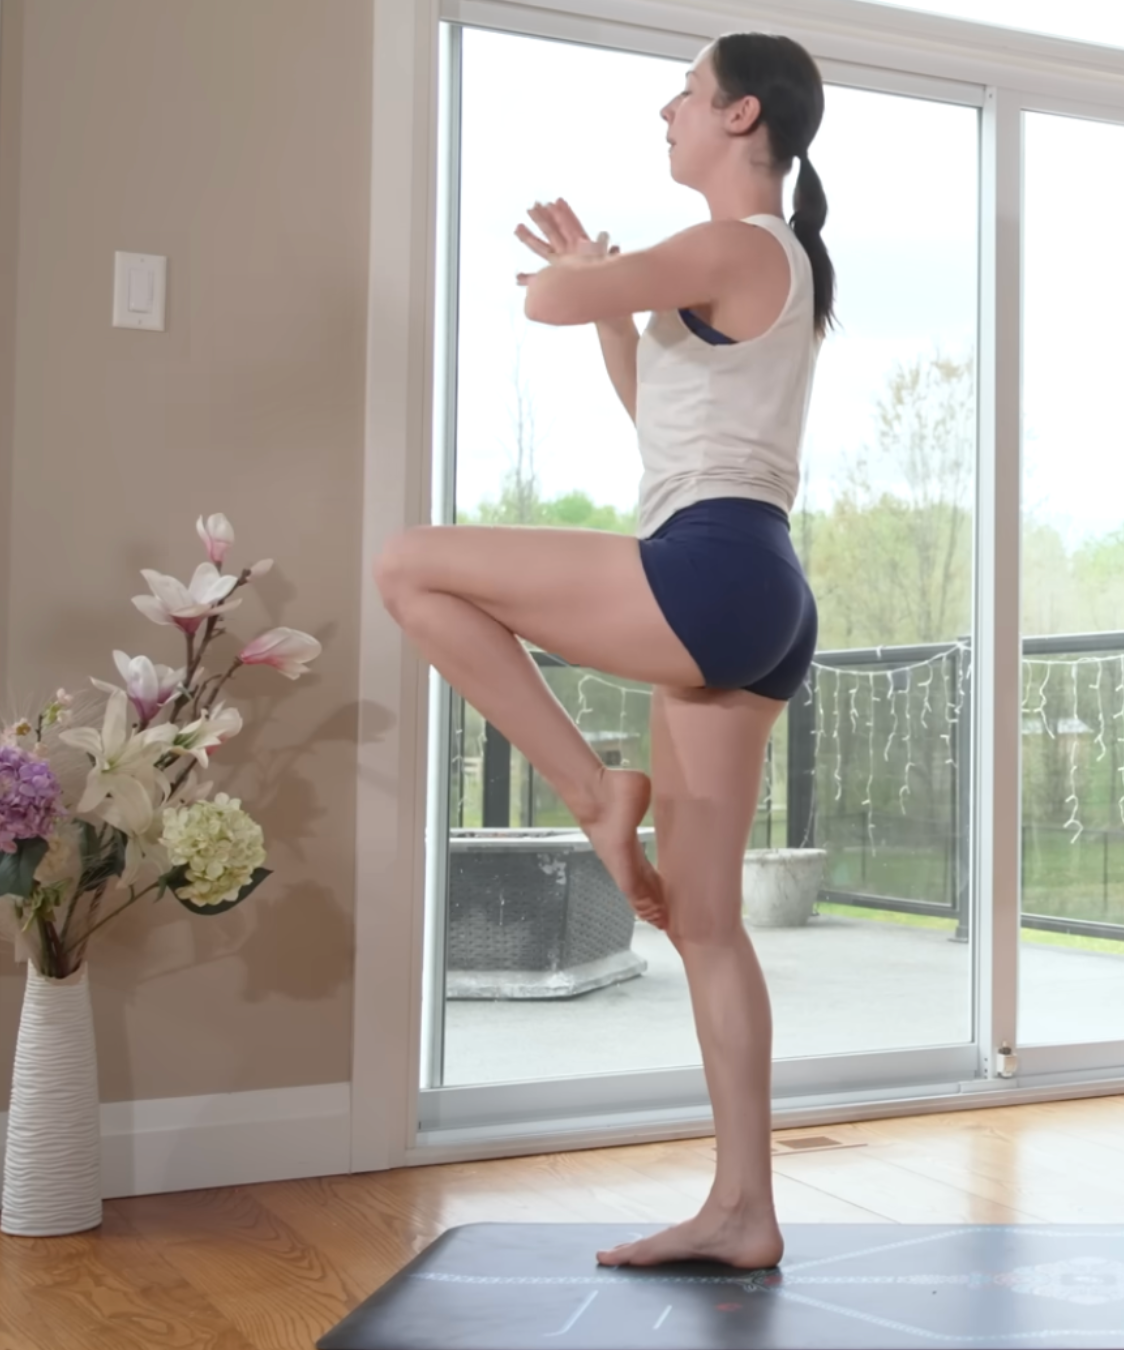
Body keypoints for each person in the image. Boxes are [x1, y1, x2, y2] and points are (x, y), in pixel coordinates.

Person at [373, 32, 836, 1271]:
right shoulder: (759, 266)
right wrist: (607, 296)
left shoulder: (736, 242)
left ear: (744, 115)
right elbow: (657, 413)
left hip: (714, 566)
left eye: (686, 94)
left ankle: (591, 790)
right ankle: (744, 1208)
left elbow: (544, 297)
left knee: (409, 563)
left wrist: (585, 272)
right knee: (705, 923)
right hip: (757, 587)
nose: (668, 111)